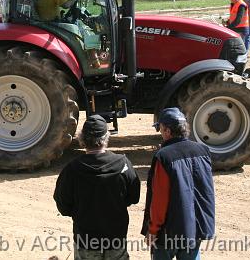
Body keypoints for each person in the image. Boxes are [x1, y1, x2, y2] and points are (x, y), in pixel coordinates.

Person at [54, 115, 140, 259]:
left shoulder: (72, 169)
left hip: (86, 240)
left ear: (82, 138)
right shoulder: (123, 164)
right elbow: (133, 197)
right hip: (115, 239)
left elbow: (63, 206)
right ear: (106, 137)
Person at [141, 108, 215, 260]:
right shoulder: (203, 150)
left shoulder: (164, 156)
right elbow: (206, 192)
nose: (160, 133)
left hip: (168, 233)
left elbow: (160, 199)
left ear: (167, 130)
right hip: (195, 230)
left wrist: (153, 229)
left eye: (160, 129)